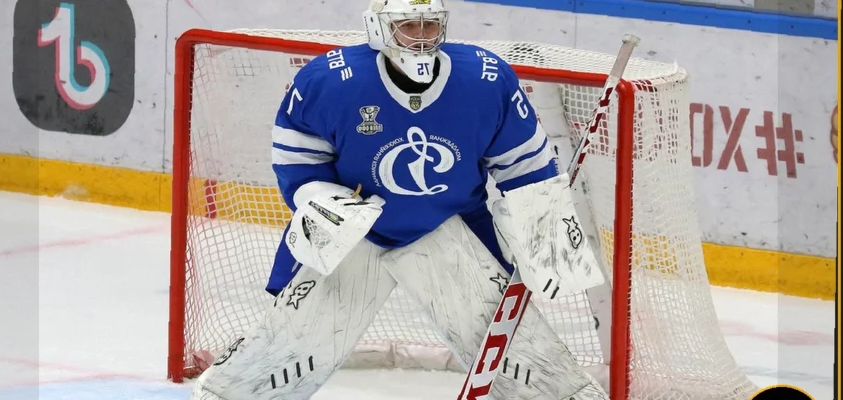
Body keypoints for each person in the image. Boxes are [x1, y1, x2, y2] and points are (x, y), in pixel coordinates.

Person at [191, 0, 607, 399]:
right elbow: (298, 157)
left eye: (430, 24)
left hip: (453, 226)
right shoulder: (331, 80)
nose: (422, 37)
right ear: (379, 28)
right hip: (355, 229)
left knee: (512, 342)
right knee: (287, 343)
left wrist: (543, 229)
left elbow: (525, 163)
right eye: (409, 26)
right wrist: (320, 197)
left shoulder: (485, 78)